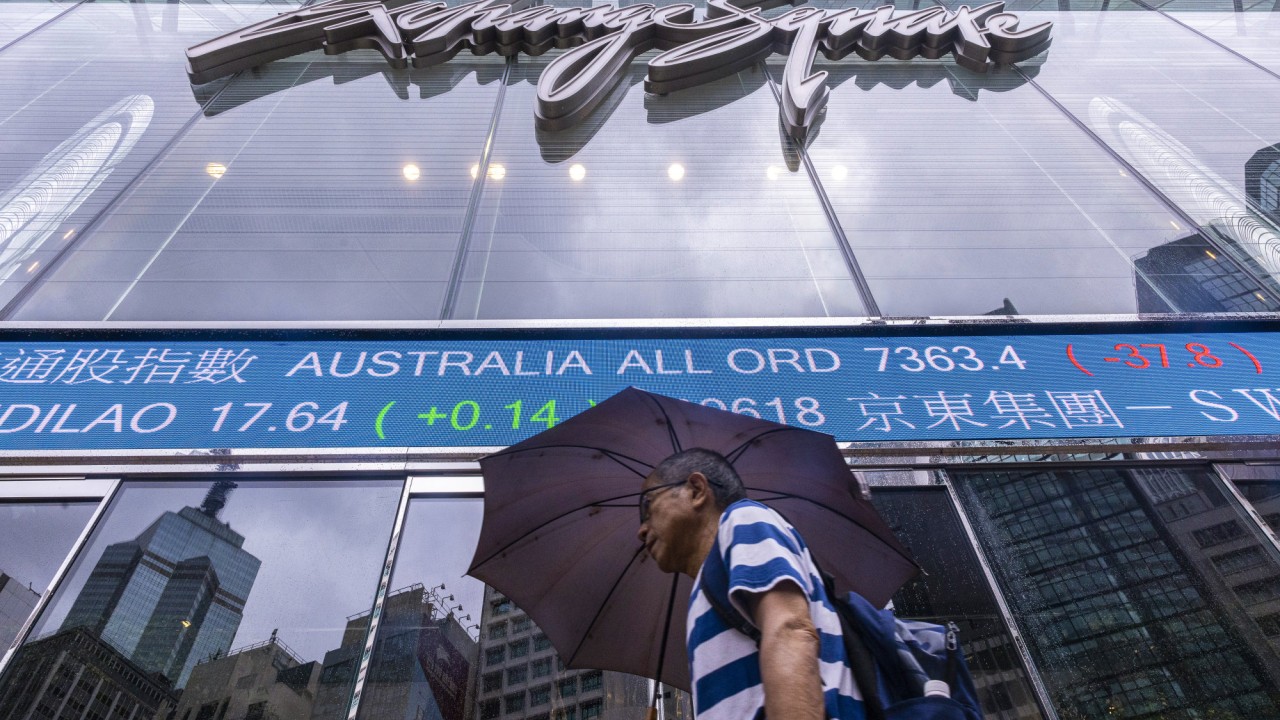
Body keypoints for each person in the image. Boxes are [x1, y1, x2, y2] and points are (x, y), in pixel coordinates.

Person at [636, 447, 864, 720]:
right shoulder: (705, 589)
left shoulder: (743, 519)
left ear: (696, 490)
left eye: (647, 506)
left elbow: (790, 629)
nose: (641, 530)